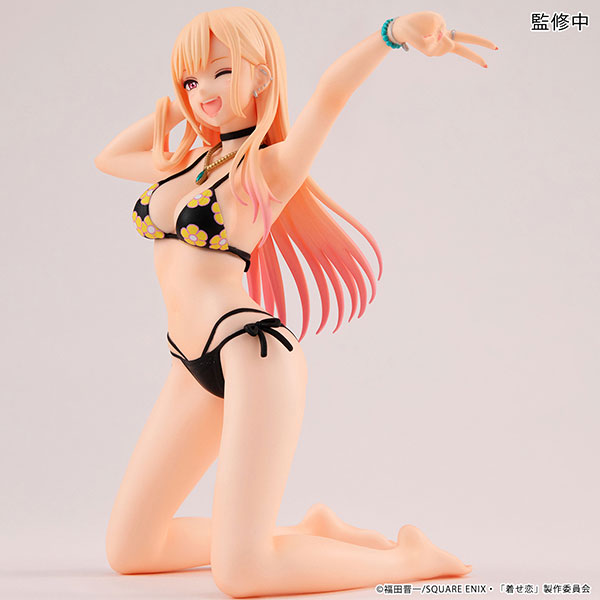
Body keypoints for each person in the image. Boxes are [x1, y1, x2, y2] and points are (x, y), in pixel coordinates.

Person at [95, 6, 496, 596]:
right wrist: (186, 103)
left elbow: (332, 94)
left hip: (250, 354)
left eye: (223, 71)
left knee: (243, 574)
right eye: (191, 78)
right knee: (132, 550)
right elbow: (107, 158)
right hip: (187, 359)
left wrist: (391, 36)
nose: (204, 90)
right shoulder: (184, 161)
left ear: (262, 75)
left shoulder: (269, 168)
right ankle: (306, 531)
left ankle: (409, 560)